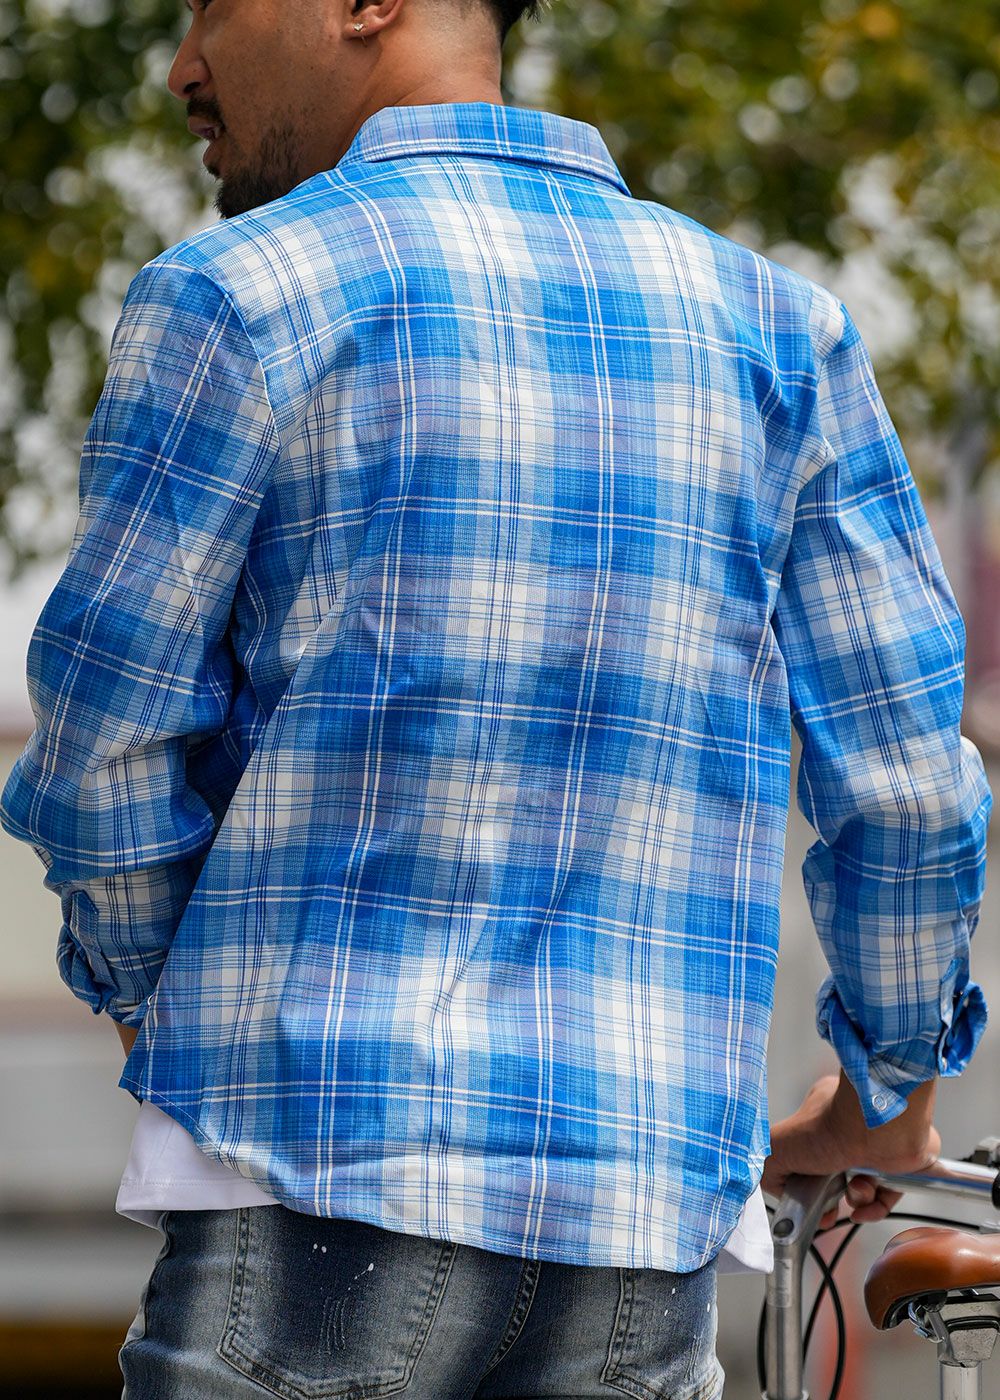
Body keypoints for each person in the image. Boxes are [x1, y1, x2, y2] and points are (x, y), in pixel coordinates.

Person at [0, 0, 991, 1390]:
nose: (183, 64)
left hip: (306, 1204)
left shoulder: (237, 292)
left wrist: (187, 1028)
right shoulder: (782, 331)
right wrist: (889, 1093)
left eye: (215, 1)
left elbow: (104, 745)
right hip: (641, 1242)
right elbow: (909, 786)